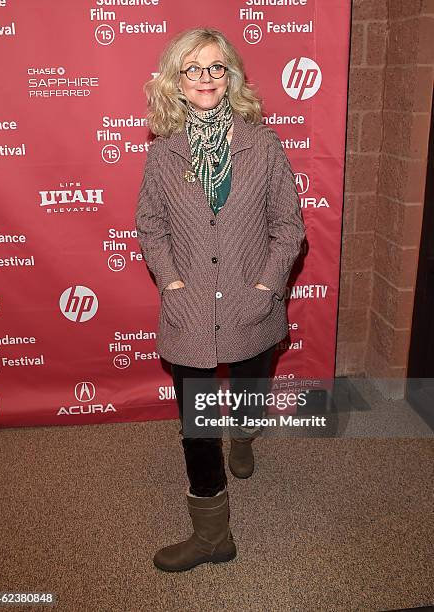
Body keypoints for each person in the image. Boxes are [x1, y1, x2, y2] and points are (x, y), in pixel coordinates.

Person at [135, 27, 306, 572]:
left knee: (252, 384)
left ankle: (247, 433)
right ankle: (212, 537)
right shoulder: (164, 153)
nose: (205, 78)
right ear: (177, 83)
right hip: (189, 312)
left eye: (215, 68)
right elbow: (150, 225)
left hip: (253, 306)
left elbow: (288, 225)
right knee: (196, 424)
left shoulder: (264, 143)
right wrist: (172, 284)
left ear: (229, 76)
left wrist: (265, 287)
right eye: (193, 69)